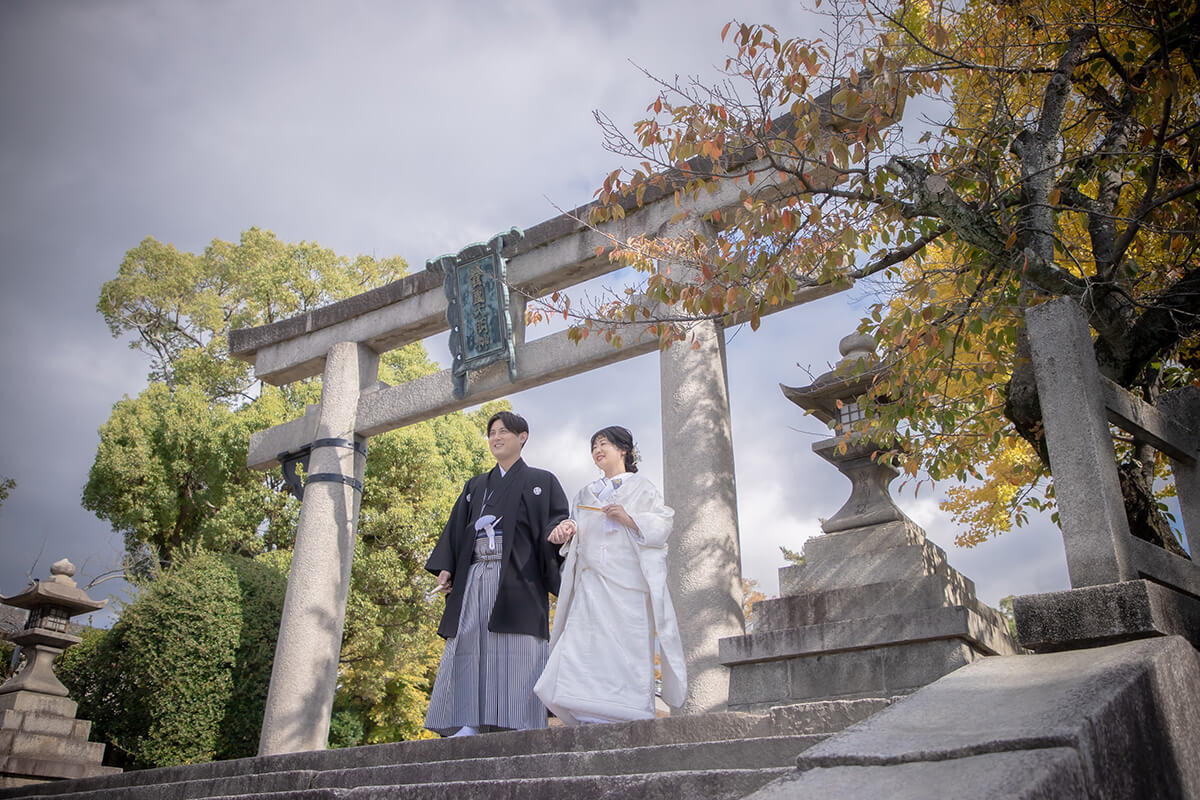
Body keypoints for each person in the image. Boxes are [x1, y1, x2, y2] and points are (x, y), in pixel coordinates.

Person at [424, 410, 569, 737]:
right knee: (470, 646)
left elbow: (553, 522)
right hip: (476, 574)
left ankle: (519, 719)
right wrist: (447, 567)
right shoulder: (476, 486)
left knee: (520, 649)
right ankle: (468, 721)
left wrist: (561, 530)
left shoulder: (541, 481)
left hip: (520, 578)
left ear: (523, 437)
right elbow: (456, 531)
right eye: (491, 433)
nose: (496, 438)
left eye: (504, 431)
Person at [534, 425, 687, 724]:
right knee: (582, 644)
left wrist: (629, 518)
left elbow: (662, 524)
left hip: (627, 583)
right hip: (592, 580)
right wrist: (569, 530)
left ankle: (626, 711)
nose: (597, 451)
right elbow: (578, 528)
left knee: (625, 646)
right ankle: (584, 708)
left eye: (603, 444)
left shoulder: (642, 488)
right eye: (593, 447)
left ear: (623, 450)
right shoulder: (585, 493)